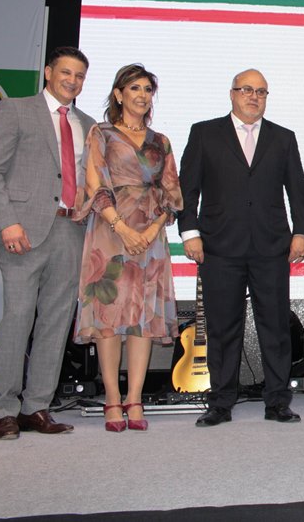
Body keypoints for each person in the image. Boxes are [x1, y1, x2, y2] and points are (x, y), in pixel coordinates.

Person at [179, 69, 304, 427]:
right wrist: (189, 233)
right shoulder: (204, 133)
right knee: (222, 328)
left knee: (276, 326)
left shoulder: (283, 138)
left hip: (272, 246)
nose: (254, 97)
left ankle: (278, 401)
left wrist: (302, 232)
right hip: (218, 246)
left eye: (261, 92)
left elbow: (297, 190)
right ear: (232, 93)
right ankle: (221, 402)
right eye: (247, 90)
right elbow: (187, 189)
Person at [0, 47, 96, 440]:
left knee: (56, 321)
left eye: (79, 76)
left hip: (70, 231)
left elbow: (88, 179)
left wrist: (89, 202)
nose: (72, 80)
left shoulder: (87, 124)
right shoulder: (16, 110)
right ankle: (5, 410)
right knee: (17, 319)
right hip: (23, 231)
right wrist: (7, 223)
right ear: (48, 72)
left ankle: (36, 407)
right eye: (66, 72)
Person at [74, 64, 183, 431]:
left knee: (142, 320)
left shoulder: (160, 141)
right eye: (134, 88)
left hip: (150, 238)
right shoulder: (101, 133)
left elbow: (172, 193)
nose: (142, 95)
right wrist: (121, 227)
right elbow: (95, 185)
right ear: (119, 94)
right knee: (109, 320)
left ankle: (134, 399)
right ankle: (112, 399)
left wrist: (151, 230)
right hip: (110, 233)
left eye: (148, 89)